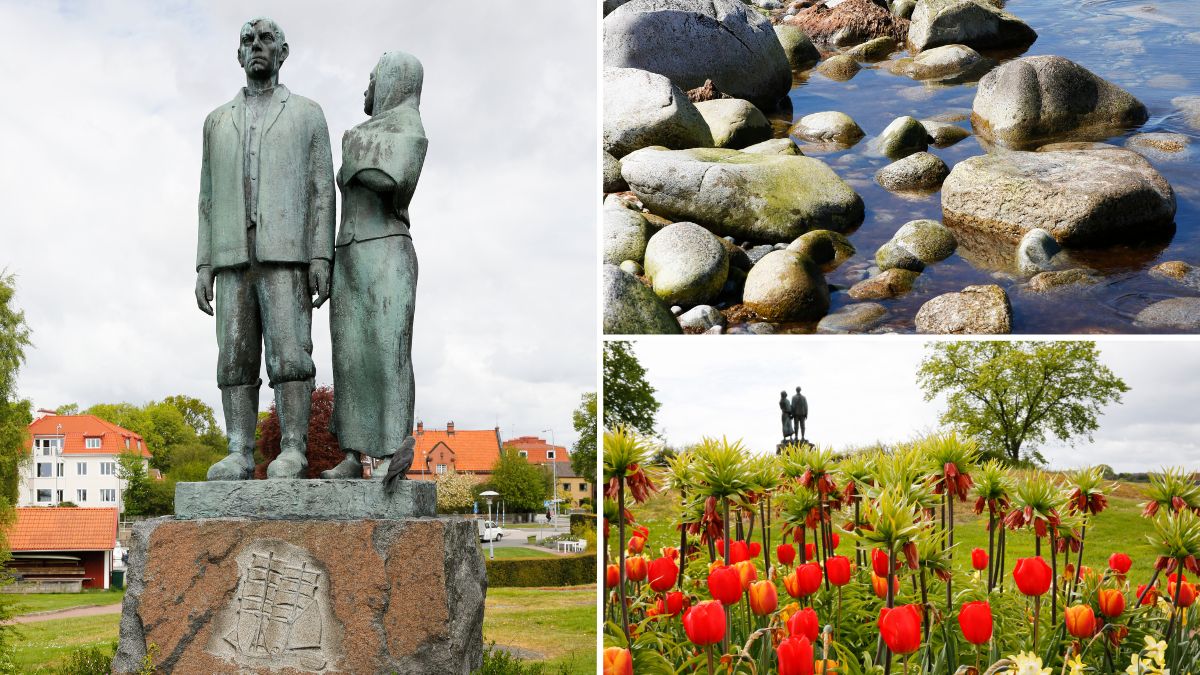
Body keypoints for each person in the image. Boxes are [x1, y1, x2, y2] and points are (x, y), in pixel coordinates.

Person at [195, 18, 335, 480]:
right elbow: (208, 199)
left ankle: (293, 448)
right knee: (234, 357)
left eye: (265, 40)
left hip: (286, 253)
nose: (256, 46)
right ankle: (239, 449)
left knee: (291, 353)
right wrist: (203, 263)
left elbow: (321, 189)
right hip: (232, 254)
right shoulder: (216, 121)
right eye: (247, 41)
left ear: (283, 52)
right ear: (238, 55)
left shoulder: (308, 114)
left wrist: (321, 256)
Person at [321, 52, 428, 480]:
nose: (366, 89)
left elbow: (395, 183)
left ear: (393, 80)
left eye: (372, 79)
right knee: (349, 357)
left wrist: (354, 163)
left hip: (387, 252)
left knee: (387, 352)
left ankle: (390, 453)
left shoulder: (410, 128)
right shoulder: (358, 134)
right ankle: (353, 451)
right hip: (348, 253)